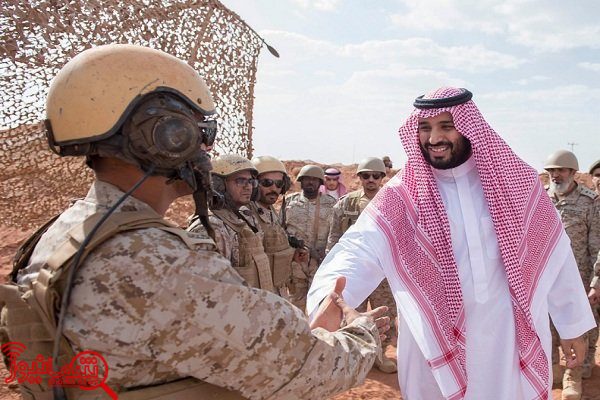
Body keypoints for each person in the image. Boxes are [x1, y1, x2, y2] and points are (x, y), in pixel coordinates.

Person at [0, 44, 390, 400]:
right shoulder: (154, 261)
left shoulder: (65, 232)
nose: (207, 150)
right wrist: (360, 333)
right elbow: (302, 368)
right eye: (202, 133)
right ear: (168, 138)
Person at [307, 87, 595, 400]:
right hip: (434, 343)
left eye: (446, 126)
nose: (434, 138)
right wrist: (330, 298)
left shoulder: (517, 183)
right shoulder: (403, 194)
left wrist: (572, 324)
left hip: (508, 341)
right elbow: (359, 247)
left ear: (469, 127)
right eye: (425, 128)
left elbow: (555, 254)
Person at [326, 156, 398, 373]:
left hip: (382, 271)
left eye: (376, 176)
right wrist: (333, 267)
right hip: (354, 270)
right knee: (352, 313)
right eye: (366, 176)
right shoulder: (346, 203)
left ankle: (380, 354)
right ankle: (354, 358)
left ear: (382, 177)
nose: (371, 180)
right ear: (360, 177)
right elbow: (334, 237)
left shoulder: (393, 202)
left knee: (384, 313)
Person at [544, 150, 600, 393]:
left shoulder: (590, 202)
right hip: (547, 278)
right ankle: (552, 368)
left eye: (561, 170)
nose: (556, 175)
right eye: (551, 171)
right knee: (546, 326)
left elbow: (597, 245)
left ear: (573, 172)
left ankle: (572, 375)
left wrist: (596, 282)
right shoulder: (541, 198)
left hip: (579, 279)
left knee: (579, 325)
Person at [189, 154, 278, 292]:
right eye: (240, 181)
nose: (248, 187)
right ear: (218, 185)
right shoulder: (210, 228)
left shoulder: (246, 219)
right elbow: (204, 288)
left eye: (250, 181)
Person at [248, 155, 304, 298]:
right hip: (258, 295)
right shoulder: (247, 214)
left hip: (277, 291)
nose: (274, 189)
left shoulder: (270, 210)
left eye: (279, 184)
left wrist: (291, 253)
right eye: (267, 183)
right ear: (254, 184)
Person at [286, 165, 336, 310]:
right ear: (301, 181)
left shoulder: (331, 204)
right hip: (296, 262)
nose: (310, 182)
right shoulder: (289, 202)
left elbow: (335, 232)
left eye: (314, 179)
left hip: (320, 262)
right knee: (296, 305)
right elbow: (281, 228)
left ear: (320, 182)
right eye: (307, 179)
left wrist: (327, 254)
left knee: (319, 305)